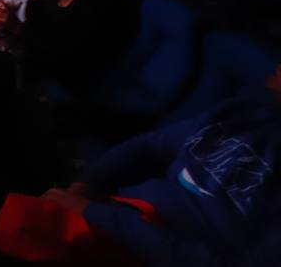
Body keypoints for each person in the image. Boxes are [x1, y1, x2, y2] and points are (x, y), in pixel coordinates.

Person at [22, 62, 281, 266]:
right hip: (113, 214)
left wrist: (92, 212)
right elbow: (152, 145)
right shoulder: (246, 110)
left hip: (137, 247)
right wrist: (85, 186)